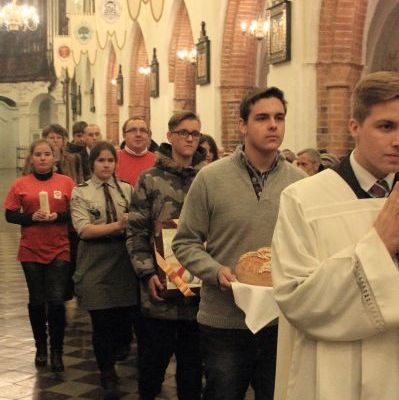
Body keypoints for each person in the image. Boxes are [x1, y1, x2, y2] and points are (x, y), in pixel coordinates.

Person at [270, 71, 399, 400]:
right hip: (335, 375)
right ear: (354, 126)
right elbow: (296, 297)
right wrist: (376, 249)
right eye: (386, 126)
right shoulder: (304, 199)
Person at [172, 87, 306, 400]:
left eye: (279, 118)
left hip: (280, 321)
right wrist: (214, 270)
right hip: (225, 320)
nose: (273, 125)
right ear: (243, 125)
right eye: (262, 118)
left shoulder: (299, 183)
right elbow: (185, 241)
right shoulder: (211, 178)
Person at [127, 111, 206, 400]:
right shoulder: (149, 179)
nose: (189, 138)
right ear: (170, 136)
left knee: (192, 372)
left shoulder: (208, 177)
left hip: (199, 294)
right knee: (151, 369)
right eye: (183, 132)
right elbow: (135, 232)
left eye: (195, 134)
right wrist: (147, 274)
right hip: (160, 293)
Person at [70, 141, 138, 398]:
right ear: (92, 164)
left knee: (123, 320)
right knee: (102, 322)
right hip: (95, 263)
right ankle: (106, 370)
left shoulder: (127, 190)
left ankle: (120, 348)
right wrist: (118, 226)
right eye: (101, 160)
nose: (106, 165)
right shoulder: (82, 192)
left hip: (123, 263)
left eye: (110, 160)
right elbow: (84, 229)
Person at [4, 139, 75, 372]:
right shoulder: (20, 184)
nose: (43, 158)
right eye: (38, 154)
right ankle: (40, 348)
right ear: (31, 158)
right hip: (31, 249)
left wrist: (57, 217)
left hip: (59, 247)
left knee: (56, 300)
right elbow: (10, 215)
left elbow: (75, 212)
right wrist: (31, 218)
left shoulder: (66, 183)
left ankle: (57, 350)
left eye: (47, 154)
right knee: (37, 300)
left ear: (54, 157)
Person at [115, 117, 156, 186]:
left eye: (142, 130)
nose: (138, 134)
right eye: (133, 130)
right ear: (124, 135)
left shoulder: (157, 161)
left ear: (148, 136)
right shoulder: (113, 159)